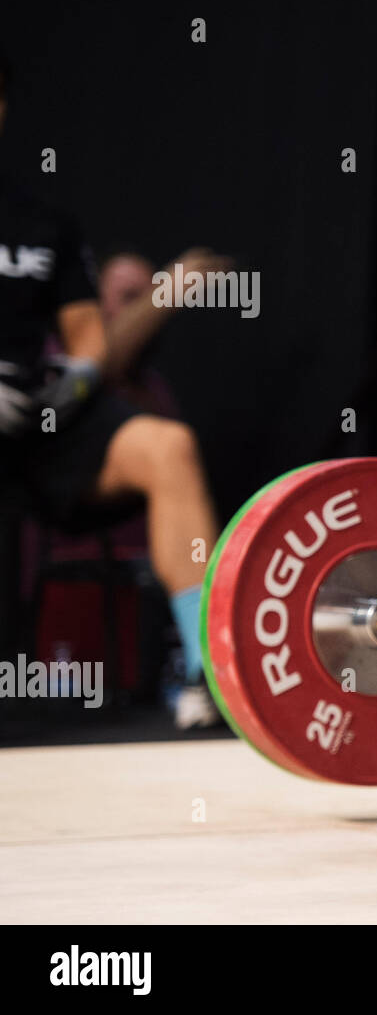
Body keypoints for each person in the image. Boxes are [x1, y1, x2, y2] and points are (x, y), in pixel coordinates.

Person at [0, 45, 223, 730]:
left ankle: (205, 673)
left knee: (168, 446)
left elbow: (87, 336)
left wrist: (73, 384)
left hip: (35, 416)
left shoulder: (42, 224)